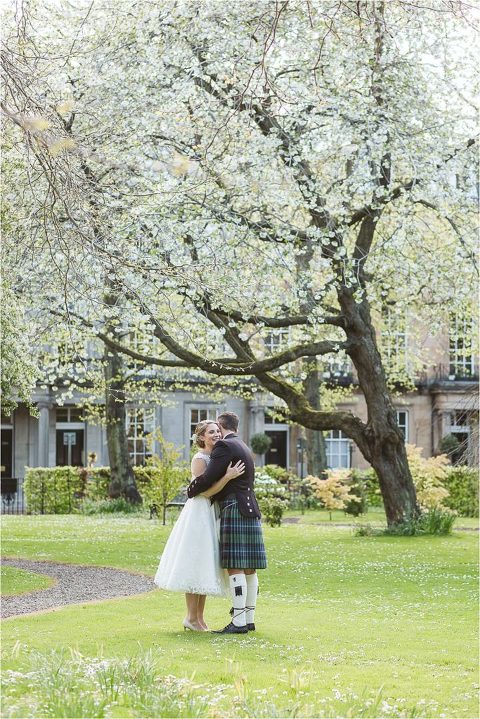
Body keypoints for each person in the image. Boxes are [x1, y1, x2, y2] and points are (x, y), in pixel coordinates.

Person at [154, 421, 245, 631]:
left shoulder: (215, 457)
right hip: (198, 513)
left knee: (204, 565)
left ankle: (199, 618)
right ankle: (190, 617)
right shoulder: (199, 459)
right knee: (194, 562)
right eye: (211, 432)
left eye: (218, 431)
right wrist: (228, 477)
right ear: (202, 437)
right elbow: (203, 492)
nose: (216, 434)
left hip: (210, 512)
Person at [187, 411, 267, 634]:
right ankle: (248, 619)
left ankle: (239, 622)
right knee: (250, 568)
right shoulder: (243, 446)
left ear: (221, 428)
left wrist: (191, 489)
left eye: (216, 430)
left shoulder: (225, 447)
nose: (215, 435)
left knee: (235, 565)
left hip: (234, 507)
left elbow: (208, 477)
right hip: (250, 506)